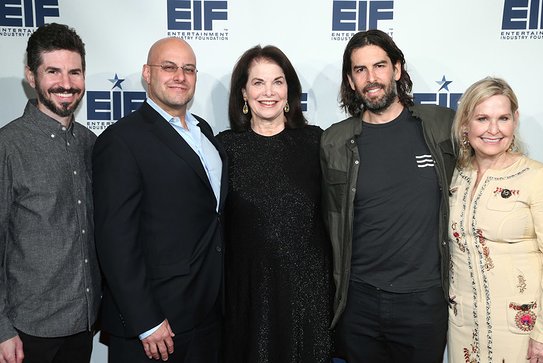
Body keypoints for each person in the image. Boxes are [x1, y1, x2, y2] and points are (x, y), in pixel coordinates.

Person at [320, 29, 456, 362]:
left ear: (397, 69)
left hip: (424, 301)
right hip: (358, 303)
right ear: (351, 81)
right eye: (360, 70)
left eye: (379, 66)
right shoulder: (333, 142)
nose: (371, 78)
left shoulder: (441, 126)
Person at [93, 37, 227, 363]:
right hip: (156, 325)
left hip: (208, 314)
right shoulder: (121, 140)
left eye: (189, 69)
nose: (180, 76)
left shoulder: (205, 131)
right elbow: (115, 240)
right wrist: (146, 320)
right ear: (147, 73)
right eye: (168, 67)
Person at [217, 45, 333, 363]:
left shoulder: (316, 143)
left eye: (277, 82)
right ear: (243, 92)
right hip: (248, 300)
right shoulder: (225, 148)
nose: (268, 92)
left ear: (289, 91)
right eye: (258, 83)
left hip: (307, 300)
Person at [0, 23, 101, 363]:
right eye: (53, 71)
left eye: (75, 72)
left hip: (83, 324)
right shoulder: (8, 146)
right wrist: (2, 329)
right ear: (31, 76)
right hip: (28, 332)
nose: (67, 84)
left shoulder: (92, 144)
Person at [448, 77, 543, 363]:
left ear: (515, 121)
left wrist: (542, 333)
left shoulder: (536, 177)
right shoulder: (454, 174)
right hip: (462, 325)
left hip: (520, 328)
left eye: (503, 118)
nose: (493, 129)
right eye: (482, 118)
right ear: (465, 123)